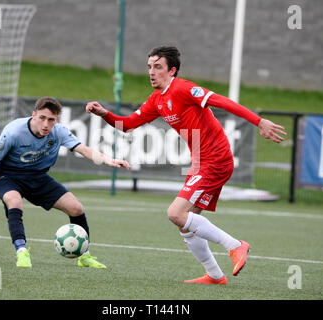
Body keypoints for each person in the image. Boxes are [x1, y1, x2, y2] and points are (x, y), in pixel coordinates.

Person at [86, 46, 286, 285]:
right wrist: (104, 114)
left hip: (215, 160)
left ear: (172, 71)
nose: (151, 72)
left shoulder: (183, 88)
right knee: (186, 222)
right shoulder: (157, 100)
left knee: (175, 213)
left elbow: (221, 101)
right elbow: (127, 125)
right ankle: (214, 275)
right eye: (149, 67)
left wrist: (258, 121)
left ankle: (235, 246)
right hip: (203, 160)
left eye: (157, 67)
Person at [0, 97, 130, 268]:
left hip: (38, 177)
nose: (46, 124)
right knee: (15, 202)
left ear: (56, 120)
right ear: (34, 115)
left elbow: (83, 149)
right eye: (42, 118)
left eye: (51, 120)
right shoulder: (14, 131)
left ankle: (84, 255)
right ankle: (21, 252)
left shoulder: (58, 131)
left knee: (76, 208)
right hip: (9, 177)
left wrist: (107, 160)